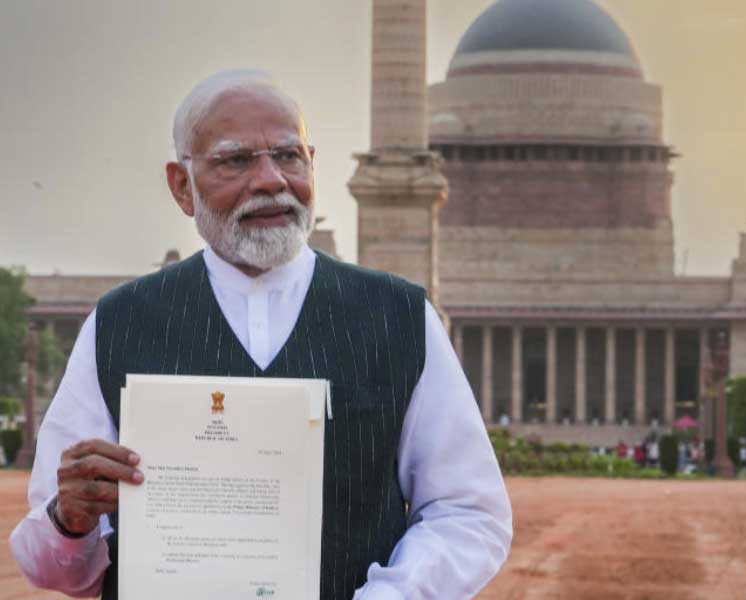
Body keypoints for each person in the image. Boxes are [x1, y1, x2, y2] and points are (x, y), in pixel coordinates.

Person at [10, 70, 512, 600]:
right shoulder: (120, 324)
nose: (271, 179)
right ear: (181, 186)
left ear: (313, 165)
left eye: (289, 156)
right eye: (237, 160)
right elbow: (58, 572)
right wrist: (69, 521)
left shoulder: (398, 317)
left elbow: (467, 512)